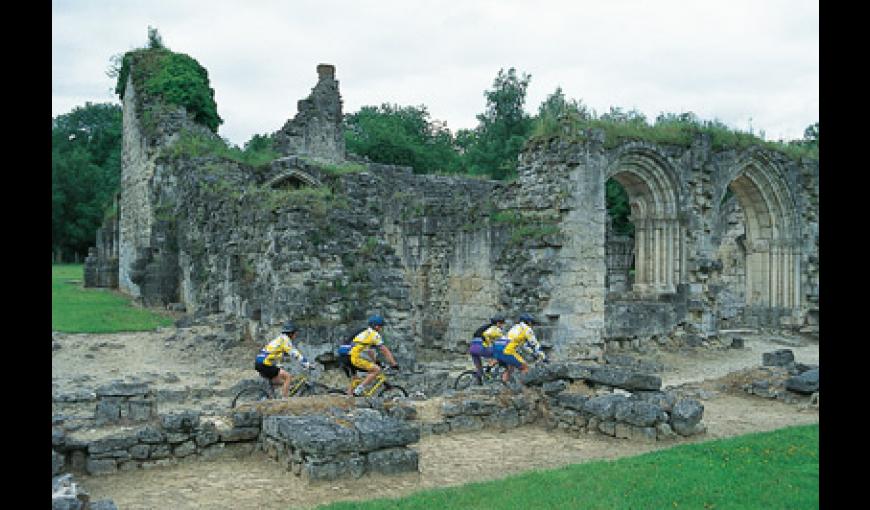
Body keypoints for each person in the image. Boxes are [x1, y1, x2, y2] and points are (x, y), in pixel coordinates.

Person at [254, 321, 314, 398]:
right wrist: (306, 364)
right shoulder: (285, 340)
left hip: (260, 363)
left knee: (282, 382)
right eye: (295, 333)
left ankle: (271, 397)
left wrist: (279, 366)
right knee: (288, 377)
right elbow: (294, 353)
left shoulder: (280, 339)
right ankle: (285, 400)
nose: (296, 335)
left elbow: (276, 354)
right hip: (264, 364)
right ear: (291, 333)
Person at [348, 315, 400, 396]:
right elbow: (384, 350)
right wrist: (394, 363)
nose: (381, 329)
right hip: (357, 357)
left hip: (354, 356)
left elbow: (369, 351)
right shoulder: (374, 335)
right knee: (376, 370)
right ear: (376, 326)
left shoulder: (366, 332)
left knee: (370, 370)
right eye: (381, 326)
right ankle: (359, 390)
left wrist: (376, 361)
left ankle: (351, 393)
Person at [496, 313, 547, 384]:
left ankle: (503, 385)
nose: (532, 325)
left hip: (498, 346)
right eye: (532, 323)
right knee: (524, 367)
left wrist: (532, 353)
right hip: (506, 349)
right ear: (528, 322)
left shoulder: (515, 327)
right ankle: (522, 387)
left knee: (510, 367)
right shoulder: (527, 329)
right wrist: (543, 357)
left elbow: (523, 345)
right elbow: (534, 344)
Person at [468, 314, 507, 385]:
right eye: (502, 324)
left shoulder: (486, 327)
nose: (503, 326)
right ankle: (488, 370)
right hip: (480, 347)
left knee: (480, 370)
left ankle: (479, 381)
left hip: (472, 348)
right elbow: (504, 340)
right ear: (498, 323)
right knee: (500, 354)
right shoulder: (495, 329)